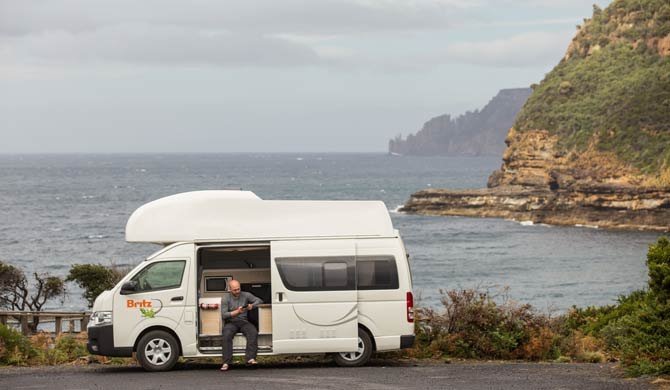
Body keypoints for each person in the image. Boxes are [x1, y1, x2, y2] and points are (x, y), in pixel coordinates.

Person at [220, 279, 263, 371]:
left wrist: (252, 306)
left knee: (253, 332)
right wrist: (237, 312)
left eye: (238, 289)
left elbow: (259, 300)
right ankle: (226, 362)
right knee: (226, 334)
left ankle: (250, 359)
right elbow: (224, 315)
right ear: (230, 289)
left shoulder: (246, 295)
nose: (237, 291)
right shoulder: (225, 298)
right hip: (231, 322)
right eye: (235, 290)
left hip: (243, 321)